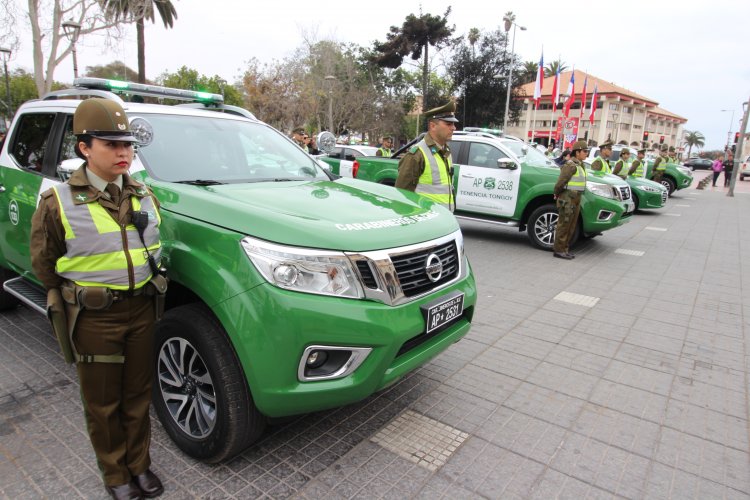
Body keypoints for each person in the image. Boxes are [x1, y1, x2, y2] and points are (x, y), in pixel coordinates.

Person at [30, 98, 166, 500]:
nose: (124, 153)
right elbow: (44, 263)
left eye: (128, 145)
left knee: (138, 396)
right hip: (94, 317)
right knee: (103, 403)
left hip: (141, 309)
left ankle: (140, 467)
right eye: (111, 144)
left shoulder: (143, 194)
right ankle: (116, 475)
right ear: (84, 148)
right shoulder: (59, 202)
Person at [395, 101, 458, 210]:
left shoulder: (445, 150)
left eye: (453, 124)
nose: (453, 128)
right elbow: (402, 195)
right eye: (448, 124)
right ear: (433, 126)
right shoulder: (417, 154)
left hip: (444, 220)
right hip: (425, 220)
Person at [552, 140, 588, 260]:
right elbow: (561, 182)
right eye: (584, 151)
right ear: (577, 152)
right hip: (568, 198)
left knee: (571, 225)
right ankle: (559, 250)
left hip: (576, 198)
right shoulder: (570, 165)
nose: (586, 153)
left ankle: (565, 249)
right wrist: (556, 193)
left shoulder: (580, 165)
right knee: (564, 224)